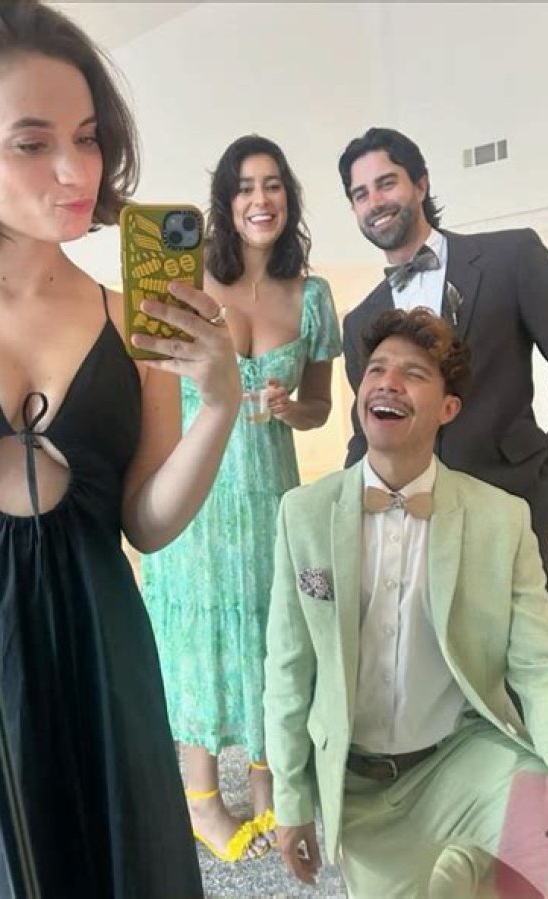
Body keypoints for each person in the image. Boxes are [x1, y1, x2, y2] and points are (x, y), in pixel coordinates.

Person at [0, 1, 242, 896]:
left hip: (101, 660)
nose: (75, 170)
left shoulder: (129, 318)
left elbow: (146, 522)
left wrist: (219, 403)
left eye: (89, 137)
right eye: (32, 142)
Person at [263, 306, 548, 898]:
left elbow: (543, 669)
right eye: (376, 369)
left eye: (413, 374)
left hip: (464, 759)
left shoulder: (500, 520)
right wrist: (291, 802)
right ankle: (460, 867)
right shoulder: (302, 515)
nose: (388, 382)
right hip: (360, 790)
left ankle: (476, 855)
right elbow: (287, 669)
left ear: (448, 408)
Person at [141, 134, 342, 863]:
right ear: (225, 203)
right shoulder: (189, 282)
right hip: (199, 486)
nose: (262, 199)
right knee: (198, 631)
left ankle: (267, 779)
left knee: (271, 630)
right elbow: (154, 378)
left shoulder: (313, 296)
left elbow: (321, 406)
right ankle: (201, 799)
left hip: (270, 494)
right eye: (246, 187)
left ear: (289, 198)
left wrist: (292, 408)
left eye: (274, 184)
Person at [339, 127, 548, 650]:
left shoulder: (512, 257)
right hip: (409, 528)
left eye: (386, 183)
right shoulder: (359, 321)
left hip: (509, 500)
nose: (375, 202)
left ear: (420, 184)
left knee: (532, 664)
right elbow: (367, 429)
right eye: (360, 194)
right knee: (428, 671)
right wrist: (352, 508)